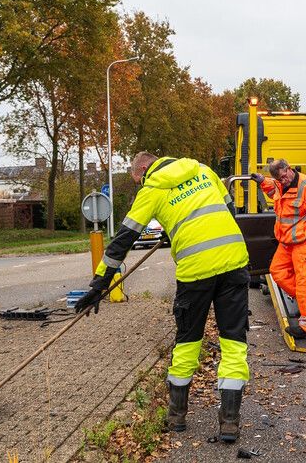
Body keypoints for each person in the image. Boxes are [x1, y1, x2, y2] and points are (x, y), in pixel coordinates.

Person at [75, 152, 250, 443]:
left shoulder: (152, 189)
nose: (140, 184)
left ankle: (177, 418)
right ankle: (230, 423)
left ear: (144, 170)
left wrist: (99, 284)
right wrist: (179, 229)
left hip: (196, 271)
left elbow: (123, 240)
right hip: (234, 262)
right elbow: (228, 212)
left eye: (138, 180)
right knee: (233, 342)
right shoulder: (204, 170)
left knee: (188, 341)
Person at [250, 159, 306, 340]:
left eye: (284, 177)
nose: (283, 181)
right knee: (277, 272)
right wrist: (262, 181)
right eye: (279, 179)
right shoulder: (280, 184)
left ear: (289, 169)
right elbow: (273, 189)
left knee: (305, 284)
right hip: (286, 243)